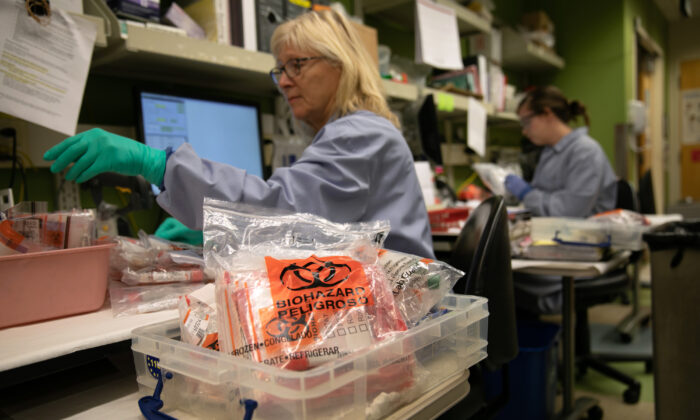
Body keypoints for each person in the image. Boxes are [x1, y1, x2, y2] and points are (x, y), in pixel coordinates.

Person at [43, 10, 434, 258]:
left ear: (342, 66)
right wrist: (218, 232)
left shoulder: (360, 133)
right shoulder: (355, 131)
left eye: (297, 64)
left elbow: (282, 209)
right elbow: (317, 233)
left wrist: (157, 163)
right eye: (280, 70)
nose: (285, 82)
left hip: (399, 318)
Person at [504, 86, 617, 217]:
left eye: (526, 121)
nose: (524, 131)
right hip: (554, 230)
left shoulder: (585, 152)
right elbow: (545, 196)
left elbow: (569, 212)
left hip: (583, 234)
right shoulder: (550, 151)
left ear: (547, 114)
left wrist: (527, 194)